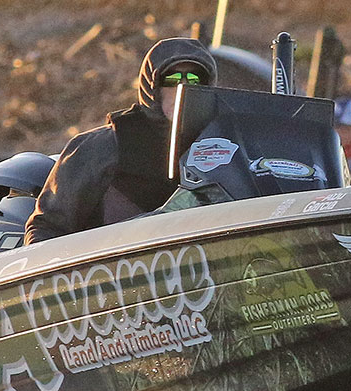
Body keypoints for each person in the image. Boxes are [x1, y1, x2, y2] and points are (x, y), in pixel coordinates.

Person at [24, 38, 218, 244]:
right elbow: (46, 228)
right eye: (172, 79)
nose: (183, 87)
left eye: (195, 79)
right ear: (151, 86)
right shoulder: (100, 147)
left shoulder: (225, 142)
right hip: (115, 261)